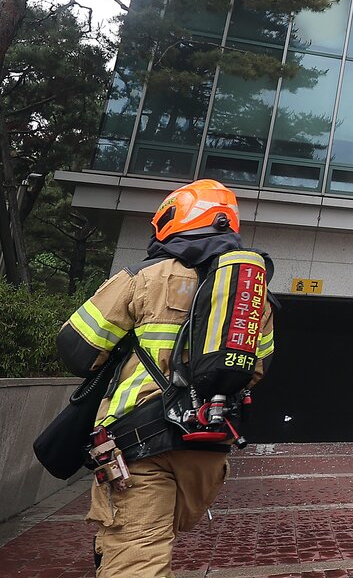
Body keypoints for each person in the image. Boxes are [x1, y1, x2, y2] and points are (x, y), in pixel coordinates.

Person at [56, 179, 275, 576]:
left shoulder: (146, 276)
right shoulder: (252, 293)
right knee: (156, 540)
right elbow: (255, 370)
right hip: (208, 448)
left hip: (139, 442)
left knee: (137, 553)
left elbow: (75, 349)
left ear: (174, 219)